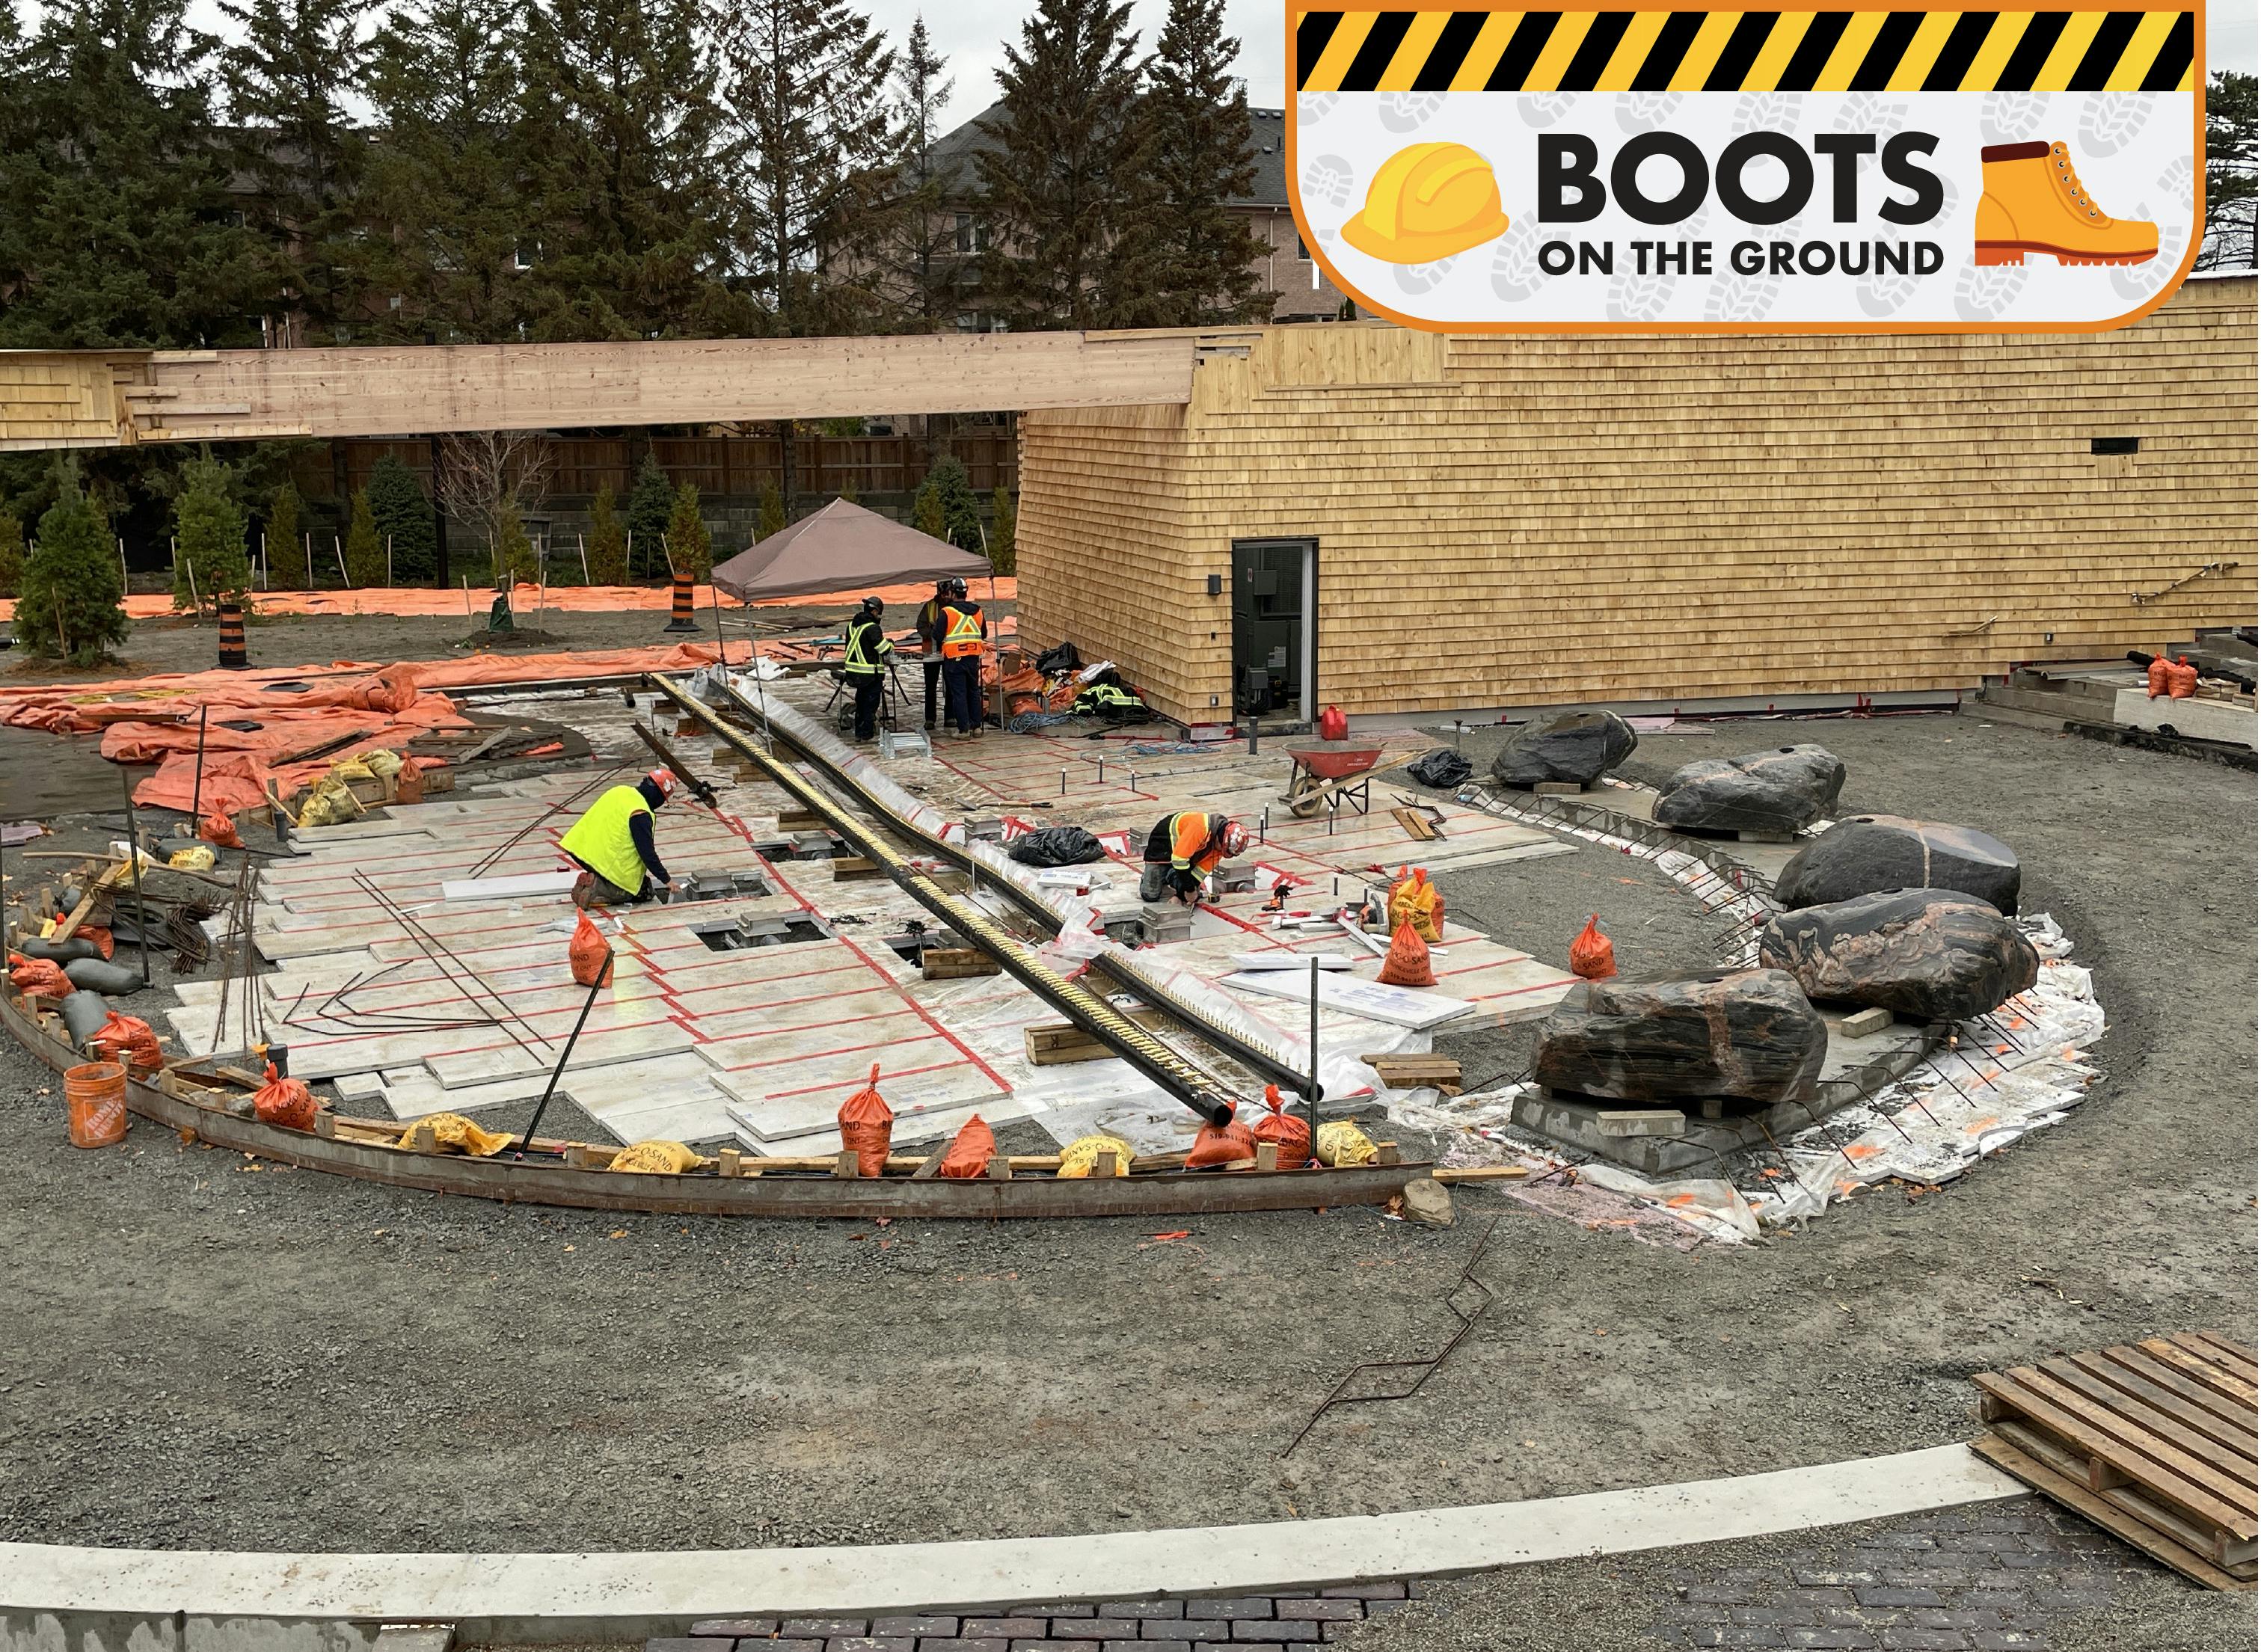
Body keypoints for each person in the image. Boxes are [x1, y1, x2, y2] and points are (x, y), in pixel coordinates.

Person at [560, 769, 681, 907]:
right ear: (658, 796)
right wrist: (667, 880)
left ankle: (592, 882)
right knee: (639, 892)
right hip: (605, 861)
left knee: (641, 882)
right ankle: (597, 887)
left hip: (582, 851)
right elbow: (647, 853)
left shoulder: (621, 791)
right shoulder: (640, 812)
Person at [1139, 811, 1249, 905]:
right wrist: (1189, 890)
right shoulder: (1200, 827)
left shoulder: (1220, 847)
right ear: (1220, 839)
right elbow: (1179, 860)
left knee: (1193, 892)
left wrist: (1181, 895)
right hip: (1162, 846)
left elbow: (1198, 874)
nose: (1221, 853)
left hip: (1185, 855)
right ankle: (1157, 874)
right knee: (1150, 895)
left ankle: (1169, 875)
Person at [939, 577, 988, 740]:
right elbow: (984, 634)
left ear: (952, 593)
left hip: (955, 658)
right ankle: (977, 727)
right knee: (973, 692)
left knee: (959, 694)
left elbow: (937, 634)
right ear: (966, 593)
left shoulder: (947, 612)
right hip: (973, 657)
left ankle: (964, 730)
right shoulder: (978, 611)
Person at [843, 594, 896, 741]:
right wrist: (891, 644)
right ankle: (866, 734)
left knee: (860, 703)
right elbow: (883, 649)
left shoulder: (851, 626)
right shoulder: (872, 627)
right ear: (875, 611)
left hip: (854, 672)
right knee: (870, 704)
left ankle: (859, 732)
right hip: (870, 674)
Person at [915, 580, 951, 731]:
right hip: (931, 652)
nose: (946, 597)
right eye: (943, 594)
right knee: (930, 686)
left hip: (950, 652)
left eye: (948, 594)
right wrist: (935, 633)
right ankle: (930, 719)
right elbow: (921, 626)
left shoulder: (954, 608)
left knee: (951, 685)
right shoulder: (930, 607)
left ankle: (950, 717)